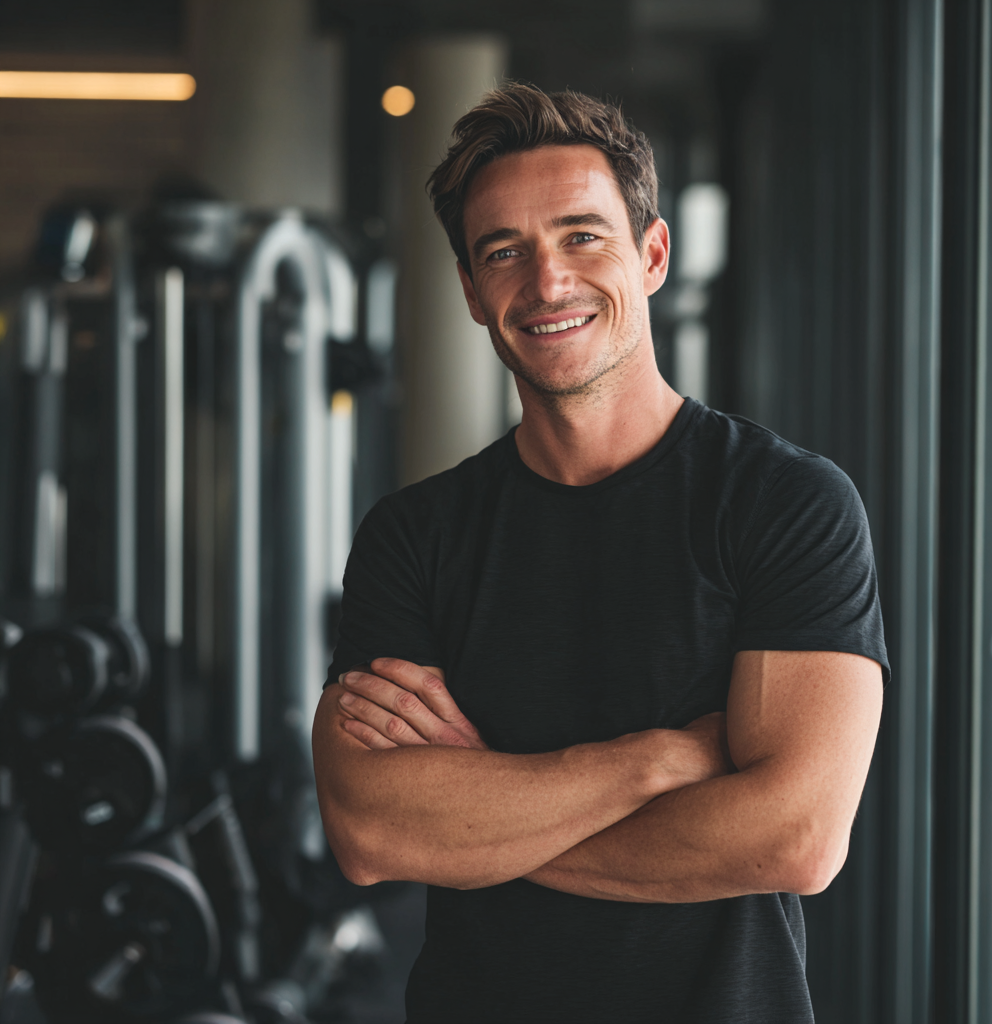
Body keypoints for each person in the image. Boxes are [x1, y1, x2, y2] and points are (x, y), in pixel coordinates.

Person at [312, 83, 887, 1024]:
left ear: (652, 254)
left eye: (583, 236)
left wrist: (479, 812)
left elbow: (796, 838)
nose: (546, 284)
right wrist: (654, 763)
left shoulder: (784, 503)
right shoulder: (415, 536)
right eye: (505, 252)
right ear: (470, 289)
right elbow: (372, 829)